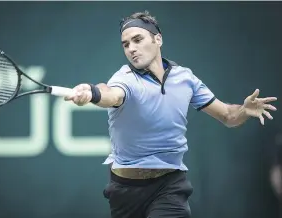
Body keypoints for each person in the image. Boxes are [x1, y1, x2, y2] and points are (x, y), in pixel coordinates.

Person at [65, 11, 278, 218]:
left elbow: (228, 117)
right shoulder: (125, 78)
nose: (131, 49)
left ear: (158, 39)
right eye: (126, 44)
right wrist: (92, 93)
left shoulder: (185, 78)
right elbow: (111, 94)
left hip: (169, 185)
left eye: (138, 40)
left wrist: (244, 110)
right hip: (125, 189)